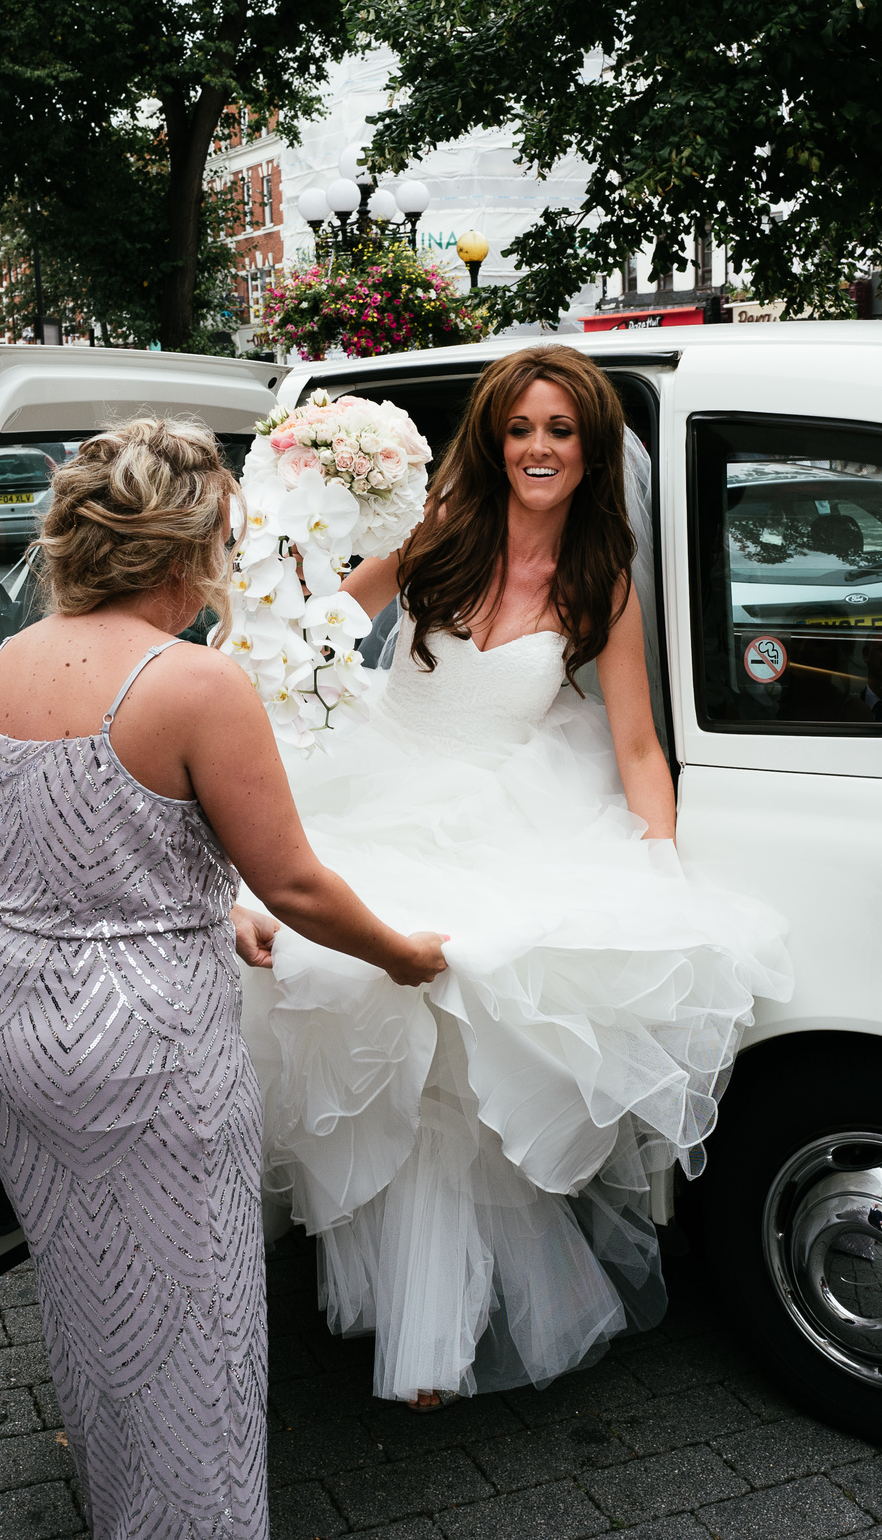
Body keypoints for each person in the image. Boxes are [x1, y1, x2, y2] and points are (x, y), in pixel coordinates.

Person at [263, 345, 794, 1407]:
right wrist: (293, 528)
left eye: (560, 430)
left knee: (458, 1070)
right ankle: (394, 1296)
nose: (538, 448)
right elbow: (315, 631)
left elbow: (638, 748)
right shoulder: (437, 538)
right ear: (494, 441)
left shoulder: (600, 582)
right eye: (520, 429)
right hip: (376, 792)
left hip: (501, 819)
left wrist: (661, 868)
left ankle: (434, 1333)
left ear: (591, 450)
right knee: (367, 1033)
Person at [0, 419, 447, 1538]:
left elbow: (67, 844)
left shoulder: (20, 655)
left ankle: (120, 1496)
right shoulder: (194, 682)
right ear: (192, 549)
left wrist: (209, 908)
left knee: (89, 1291)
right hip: (131, 1048)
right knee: (194, 1325)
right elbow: (301, 885)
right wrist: (404, 954)